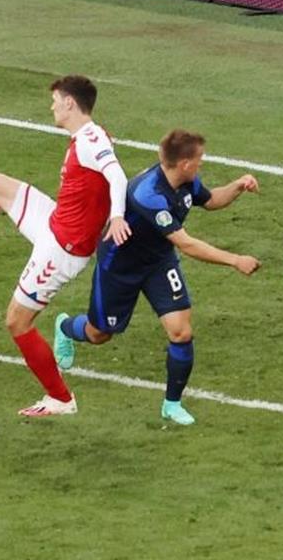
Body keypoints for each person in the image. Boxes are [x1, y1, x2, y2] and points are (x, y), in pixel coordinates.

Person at [51, 129, 262, 425]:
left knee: (181, 332)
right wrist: (235, 260)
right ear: (185, 163)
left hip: (158, 262)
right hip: (120, 266)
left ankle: (171, 405)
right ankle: (64, 327)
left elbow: (212, 199)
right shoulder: (148, 194)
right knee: (100, 333)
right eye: (199, 159)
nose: (202, 163)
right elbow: (186, 244)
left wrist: (238, 185)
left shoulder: (186, 181)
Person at [0, 75, 131, 417]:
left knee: (16, 321)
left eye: (55, 100)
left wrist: (116, 217)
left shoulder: (90, 139)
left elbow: (118, 177)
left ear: (70, 103)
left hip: (62, 248)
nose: (51, 106)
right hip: (53, 221)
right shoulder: (84, 137)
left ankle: (61, 399)